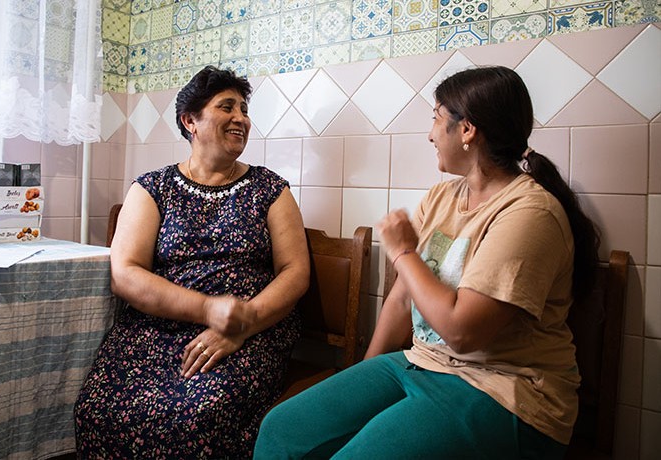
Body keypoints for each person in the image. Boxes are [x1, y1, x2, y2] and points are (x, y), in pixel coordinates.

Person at [254, 66, 600, 459]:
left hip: (505, 391)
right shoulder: (441, 198)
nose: (430, 134)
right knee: (282, 429)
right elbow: (402, 300)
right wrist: (362, 377)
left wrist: (404, 252)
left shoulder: (530, 213)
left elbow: (463, 332)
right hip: (423, 362)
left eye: (436, 119)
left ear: (467, 129)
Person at [74, 65, 310, 458]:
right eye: (226, 107)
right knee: (99, 409)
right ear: (190, 121)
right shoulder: (152, 188)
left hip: (247, 331)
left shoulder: (270, 188)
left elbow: (295, 272)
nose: (241, 118)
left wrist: (242, 322)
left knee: (196, 417)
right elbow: (125, 272)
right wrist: (207, 309)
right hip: (153, 332)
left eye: (244, 109)